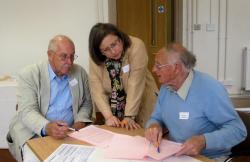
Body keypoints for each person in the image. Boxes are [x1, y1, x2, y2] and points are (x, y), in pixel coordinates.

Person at [144, 43, 247, 161]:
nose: (153, 69)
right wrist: (153, 126)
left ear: (176, 68)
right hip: (176, 154)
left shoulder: (210, 89)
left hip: (208, 157)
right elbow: (156, 117)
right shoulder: (166, 88)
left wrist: (204, 141)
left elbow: (238, 130)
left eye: (158, 65)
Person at [7, 35, 93, 162]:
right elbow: (27, 111)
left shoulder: (79, 72)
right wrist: (47, 127)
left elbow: (86, 103)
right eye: (64, 56)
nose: (69, 62)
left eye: (72, 56)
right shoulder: (29, 74)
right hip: (34, 132)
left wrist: (79, 122)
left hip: (69, 132)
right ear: (50, 55)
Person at [89, 23, 158, 129]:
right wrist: (109, 117)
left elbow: (135, 83)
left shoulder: (136, 46)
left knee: (142, 138)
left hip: (142, 101)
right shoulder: (96, 57)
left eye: (114, 44)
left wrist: (129, 115)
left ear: (120, 37)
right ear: (99, 51)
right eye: (106, 50)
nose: (113, 51)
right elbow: (97, 89)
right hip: (116, 108)